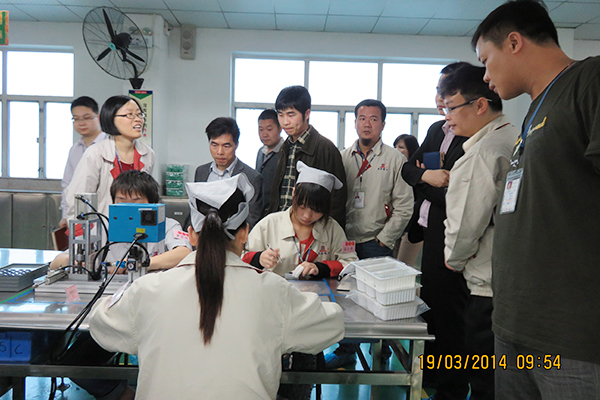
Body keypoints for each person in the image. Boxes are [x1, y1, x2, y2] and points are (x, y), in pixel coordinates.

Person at [89, 174, 345, 400]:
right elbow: (331, 324)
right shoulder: (274, 291)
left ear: (191, 234)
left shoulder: (148, 289)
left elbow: (100, 323)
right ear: (244, 233)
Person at [473, 1, 600, 397]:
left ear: (514, 43)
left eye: (486, 60)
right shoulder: (536, 109)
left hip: (569, 336)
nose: (485, 76)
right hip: (515, 324)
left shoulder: (589, 81)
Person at [439, 63, 519, 400]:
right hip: (510, 281)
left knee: (485, 378)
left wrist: (453, 260)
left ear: (480, 105)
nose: (447, 119)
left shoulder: (482, 154)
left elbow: (465, 227)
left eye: (451, 108)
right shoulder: (512, 136)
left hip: (486, 287)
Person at [400, 62, 470, 400]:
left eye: (447, 93)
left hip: (453, 236)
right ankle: (432, 374)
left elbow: (456, 194)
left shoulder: (470, 136)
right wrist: (428, 177)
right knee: (430, 309)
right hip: (429, 232)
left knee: (451, 317)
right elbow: (407, 170)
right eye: (438, 92)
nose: (441, 99)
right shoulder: (435, 130)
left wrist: (424, 182)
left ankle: (452, 388)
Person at [326, 99, 414, 369]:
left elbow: (405, 205)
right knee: (345, 300)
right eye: (362, 118)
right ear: (354, 122)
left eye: (374, 119)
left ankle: (382, 353)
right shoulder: (343, 157)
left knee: (380, 300)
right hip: (346, 243)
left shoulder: (395, 159)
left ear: (383, 124)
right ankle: (346, 352)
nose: (367, 124)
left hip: (377, 241)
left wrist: (385, 238)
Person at [243, 161, 358, 278]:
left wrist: (321, 268)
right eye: (302, 207)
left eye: (316, 210)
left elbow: (352, 262)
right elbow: (241, 256)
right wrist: (259, 258)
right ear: (294, 193)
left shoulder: (333, 228)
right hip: (276, 288)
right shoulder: (269, 224)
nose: (307, 216)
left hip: (318, 289)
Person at [64, 95, 154, 222]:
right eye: (130, 115)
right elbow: (79, 198)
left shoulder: (147, 153)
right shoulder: (96, 153)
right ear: (111, 118)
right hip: (104, 227)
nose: (138, 119)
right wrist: (80, 229)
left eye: (139, 114)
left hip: (136, 225)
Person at [267, 85, 347, 227]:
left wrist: (326, 232)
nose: (285, 122)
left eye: (291, 115)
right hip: (282, 226)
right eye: (280, 115)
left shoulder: (325, 148)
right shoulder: (285, 147)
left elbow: (337, 201)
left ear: (307, 113)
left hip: (311, 229)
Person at [194, 117, 263, 229]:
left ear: (236, 144)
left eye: (226, 146)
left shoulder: (252, 177)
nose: (220, 152)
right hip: (204, 236)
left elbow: (252, 220)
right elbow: (195, 211)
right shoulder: (201, 172)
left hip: (235, 238)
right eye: (214, 145)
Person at [59, 96, 107, 229]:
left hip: (105, 212)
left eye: (87, 118)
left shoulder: (108, 145)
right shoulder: (75, 150)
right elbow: (67, 184)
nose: (81, 123)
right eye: (76, 119)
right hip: (80, 215)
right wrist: (65, 215)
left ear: (98, 117)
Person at [392, 134, 422, 266]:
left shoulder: (419, 172)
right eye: (395, 147)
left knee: (404, 265)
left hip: (412, 227)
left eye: (401, 147)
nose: (397, 150)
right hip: (396, 227)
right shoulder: (394, 171)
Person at [255, 109, 284, 216]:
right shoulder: (260, 152)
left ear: (280, 128)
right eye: (261, 129)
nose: (264, 134)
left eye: (269, 129)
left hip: (277, 212)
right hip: (260, 211)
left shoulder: (285, 152)